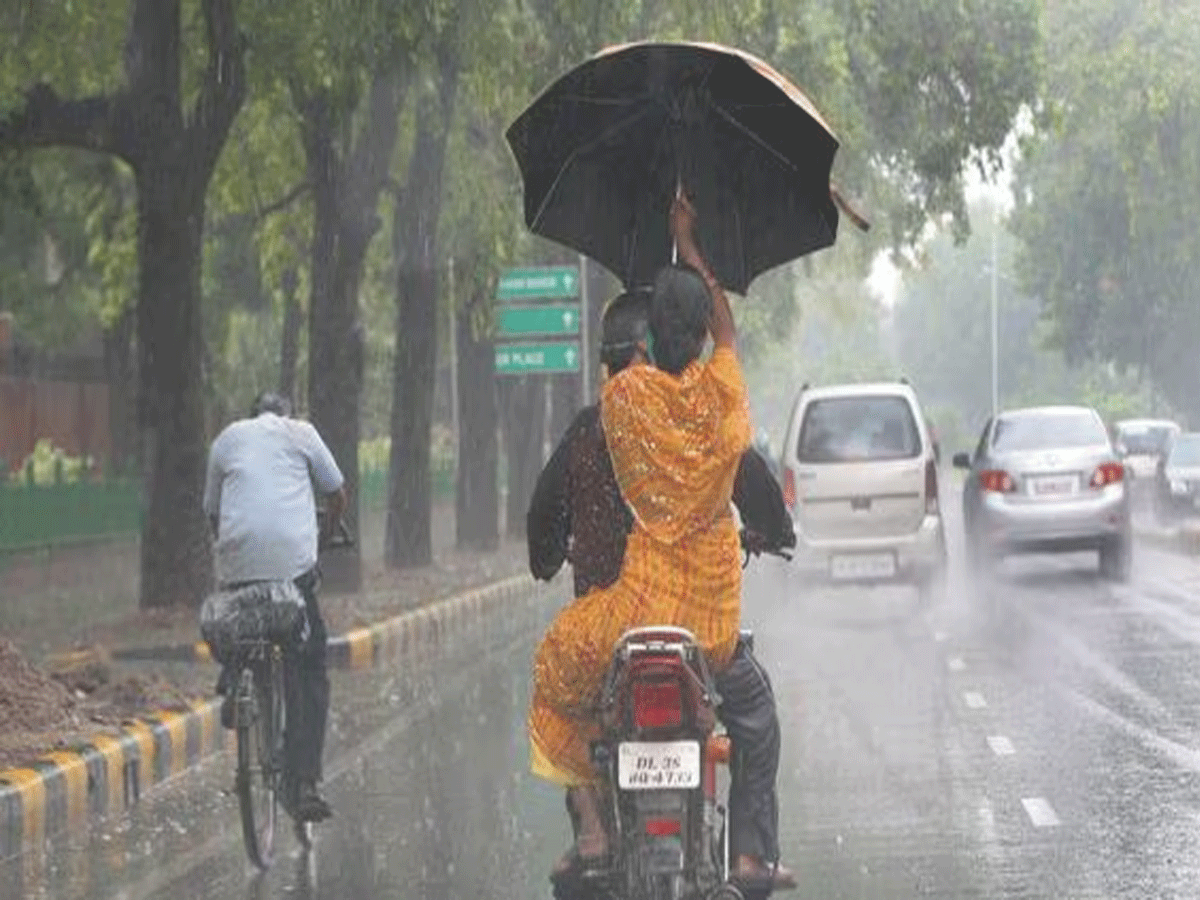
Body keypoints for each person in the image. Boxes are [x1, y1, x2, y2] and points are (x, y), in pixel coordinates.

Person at [527, 194, 796, 890]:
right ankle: (749, 856)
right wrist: (692, 245)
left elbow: (547, 520)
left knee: (555, 672)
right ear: (703, 335)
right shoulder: (722, 402)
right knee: (756, 717)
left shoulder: (624, 404)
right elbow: (728, 336)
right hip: (708, 631)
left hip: (636, 614)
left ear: (640, 347)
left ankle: (592, 825)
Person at [203, 391, 346, 823]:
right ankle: (303, 784)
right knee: (309, 663)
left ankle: (235, 676)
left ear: (252, 416)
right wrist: (324, 537)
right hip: (291, 576)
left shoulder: (227, 439)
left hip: (239, 569)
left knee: (241, 620)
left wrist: (235, 553)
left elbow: (213, 513)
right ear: (287, 415)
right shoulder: (301, 433)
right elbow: (337, 494)